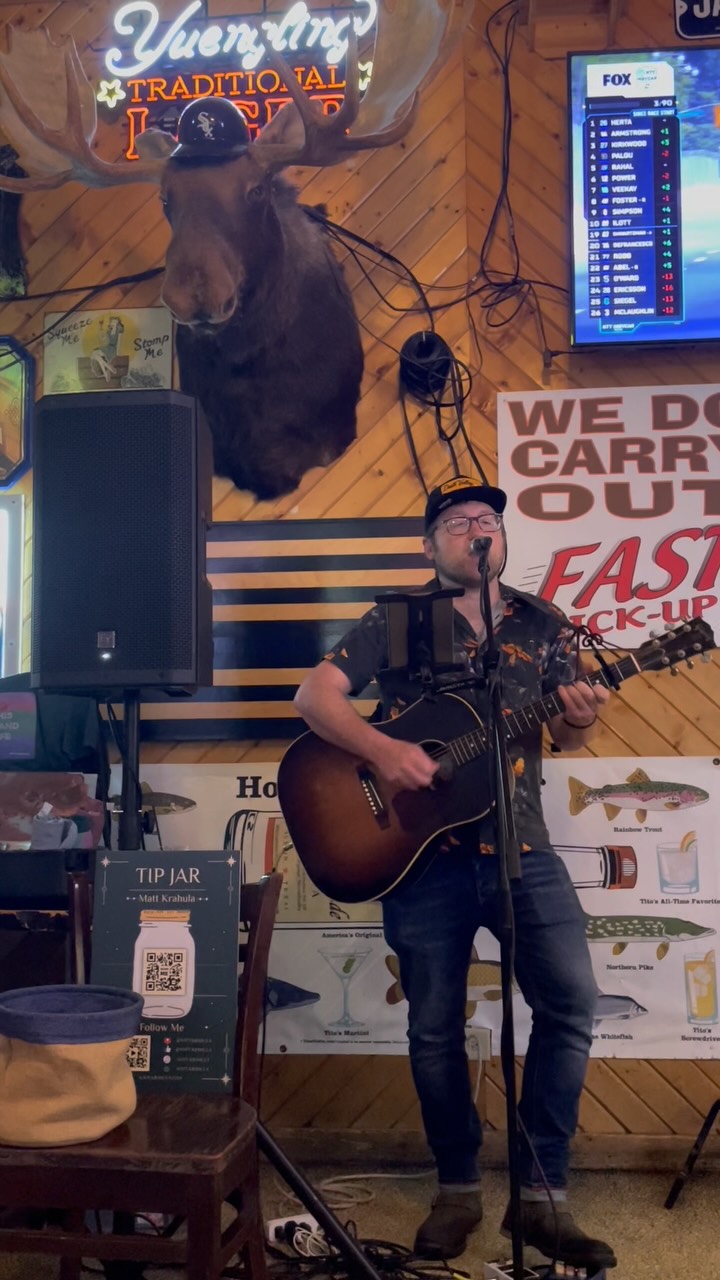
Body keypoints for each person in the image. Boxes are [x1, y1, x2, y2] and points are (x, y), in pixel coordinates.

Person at [293, 476, 616, 1273]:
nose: (478, 529)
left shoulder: (546, 627)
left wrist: (578, 719)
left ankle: (543, 1198)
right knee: (432, 1027)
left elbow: (567, 741)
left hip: (521, 850)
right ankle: (458, 1187)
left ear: (502, 541)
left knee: (570, 1002)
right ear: (431, 545)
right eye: (458, 521)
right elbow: (315, 696)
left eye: (489, 520)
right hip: (416, 857)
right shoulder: (397, 621)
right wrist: (384, 751)